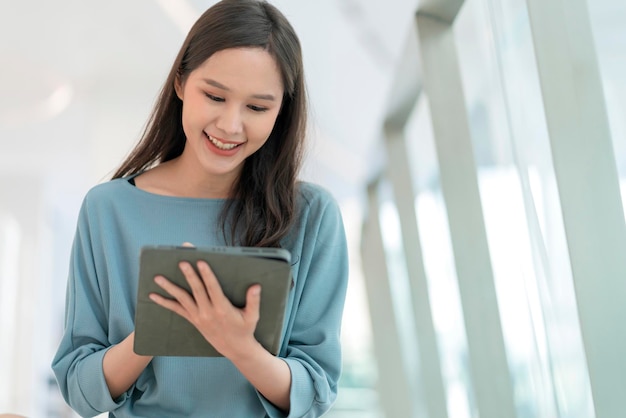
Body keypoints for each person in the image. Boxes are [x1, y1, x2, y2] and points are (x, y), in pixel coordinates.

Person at [51, 0, 349, 416]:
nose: (230, 125)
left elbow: (315, 391)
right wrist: (154, 331)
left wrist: (239, 346)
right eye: (214, 95)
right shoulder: (108, 210)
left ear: (281, 112)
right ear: (180, 84)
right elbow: (80, 390)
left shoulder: (312, 216)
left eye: (257, 107)